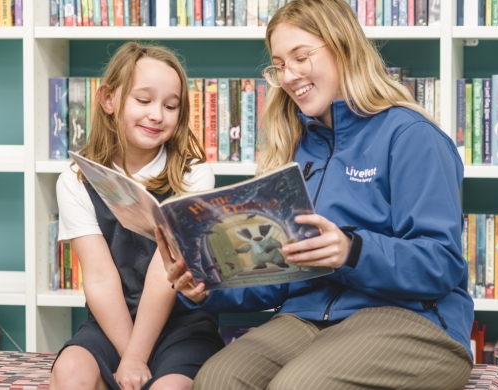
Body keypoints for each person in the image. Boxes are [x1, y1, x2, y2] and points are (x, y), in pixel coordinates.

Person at [159, 0, 475, 388]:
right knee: (218, 378)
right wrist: (206, 288)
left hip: (412, 318)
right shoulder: (294, 147)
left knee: (299, 386)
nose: (289, 75)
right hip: (308, 316)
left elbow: (441, 263)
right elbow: (278, 277)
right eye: (279, 65)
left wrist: (351, 251)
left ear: (342, 46)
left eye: (301, 57)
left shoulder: (410, 136)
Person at [51, 42, 224, 390]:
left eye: (170, 105)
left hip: (182, 326)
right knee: (70, 374)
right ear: (109, 100)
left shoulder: (195, 176)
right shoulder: (76, 179)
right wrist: (127, 353)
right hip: (110, 323)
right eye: (143, 100)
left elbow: (166, 271)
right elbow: (99, 278)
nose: (157, 114)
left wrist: (135, 358)